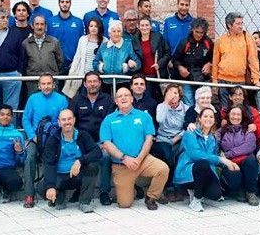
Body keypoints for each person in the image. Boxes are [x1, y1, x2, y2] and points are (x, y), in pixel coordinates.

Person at [100, 87, 169, 210]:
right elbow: (106, 143)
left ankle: (151, 197)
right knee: (125, 204)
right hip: (121, 164)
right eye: (120, 96)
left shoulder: (144, 116)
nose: (123, 98)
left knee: (163, 169)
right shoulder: (109, 119)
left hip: (143, 160)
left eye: (126, 95)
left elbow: (149, 139)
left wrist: (139, 158)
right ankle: (134, 190)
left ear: (132, 99)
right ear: (116, 101)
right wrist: (124, 158)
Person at [174, 108, 238, 212]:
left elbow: (211, 160)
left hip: (204, 172)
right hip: (187, 172)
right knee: (202, 163)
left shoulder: (212, 138)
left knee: (215, 194)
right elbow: (195, 155)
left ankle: (196, 190)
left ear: (214, 120)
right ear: (199, 118)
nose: (208, 119)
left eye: (211, 117)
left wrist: (215, 178)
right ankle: (196, 199)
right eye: (205, 116)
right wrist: (222, 160)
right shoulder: (190, 133)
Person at [21, 73, 69, 208]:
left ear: (54, 85)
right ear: (39, 85)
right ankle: (29, 194)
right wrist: (32, 136)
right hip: (36, 138)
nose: (46, 86)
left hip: (54, 138)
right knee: (29, 157)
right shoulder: (33, 99)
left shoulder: (61, 99)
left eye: (49, 84)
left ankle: (57, 191)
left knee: (58, 157)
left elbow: (64, 120)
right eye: (43, 84)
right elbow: (25, 119)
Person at [68, 71, 115, 205]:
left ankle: (104, 192)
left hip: (101, 140)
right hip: (82, 141)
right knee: (78, 155)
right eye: (90, 81)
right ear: (85, 84)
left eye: (95, 81)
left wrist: (105, 142)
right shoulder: (76, 99)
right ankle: (79, 189)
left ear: (100, 83)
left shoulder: (107, 99)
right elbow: (72, 122)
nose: (93, 84)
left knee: (105, 156)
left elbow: (109, 123)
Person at [41, 108, 101, 213]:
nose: (67, 122)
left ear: (74, 120)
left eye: (69, 119)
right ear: (59, 122)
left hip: (77, 175)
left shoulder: (83, 135)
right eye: (63, 120)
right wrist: (50, 186)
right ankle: (59, 197)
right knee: (41, 188)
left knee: (92, 166)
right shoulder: (53, 140)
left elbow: (97, 152)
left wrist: (80, 161)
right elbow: (49, 164)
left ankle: (84, 202)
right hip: (59, 176)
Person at [212, 12, 260, 108]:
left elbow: (253, 60)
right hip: (223, 81)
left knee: (239, 109)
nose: (241, 26)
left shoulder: (247, 38)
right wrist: (215, 82)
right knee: (224, 109)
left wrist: (256, 80)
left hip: (240, 81)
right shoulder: (220, 41)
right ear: (229, 25)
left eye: (241, 23)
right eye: (238, 24)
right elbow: (215, 62)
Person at [218, 105, 260, 206]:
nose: (235, 117)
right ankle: (240, 189)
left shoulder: (248, 129)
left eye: (238, 114)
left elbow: (249, 146)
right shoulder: (222, 131)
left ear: (242, 116)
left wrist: (229, 153)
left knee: (251, 161)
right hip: (230, 162)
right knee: (233, 177)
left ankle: (251, 192)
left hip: (244, 159)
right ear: (228, 116)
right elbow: (215, 144)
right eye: (233, 114)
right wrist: (221, 156)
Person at [152, 84, 188, 201]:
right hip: (162, 139)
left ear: (180, 95)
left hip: (178, 138)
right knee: (167, 154)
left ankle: (180, 186)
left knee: (182, 153)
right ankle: (168, 187)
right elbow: (160, 119)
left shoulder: (186, 109)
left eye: (175, 93)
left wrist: (177, 138)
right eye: (170, 92)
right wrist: (166, 103)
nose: (173, 95)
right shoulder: (161, 106)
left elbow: (187, 127)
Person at [172, 17, 213, 106]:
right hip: (187, 78)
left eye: (201, 33)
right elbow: (175, 59)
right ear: (192, 30)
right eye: (196, 32)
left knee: (204, 104)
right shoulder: (185, 42)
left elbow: (214, 58)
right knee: (189, 104)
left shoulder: (208, 43)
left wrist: (210, 64)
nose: (198, 35)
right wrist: (180, 68)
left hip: (204, 78)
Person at [63, 18, 106, 99]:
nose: (93, 28)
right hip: (84, 76)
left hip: (99, 76)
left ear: (100, 28)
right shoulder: (83, 39)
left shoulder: (105, 41)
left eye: (96, 26)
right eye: (91, 26)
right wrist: (72, 72)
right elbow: (77, 57)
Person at [22, 14, 64, 96]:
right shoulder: (26, 43)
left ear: (45, 26)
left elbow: (60, 61)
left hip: (51, 81)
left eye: (42, 24)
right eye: (37, 24)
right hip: (33, 82)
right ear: (32, 26)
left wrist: (51, 73)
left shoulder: (54, 42)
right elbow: (23, 63)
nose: (39, 27)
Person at [133, 15, 170, 101]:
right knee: (147, 100)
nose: (144, 27)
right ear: (138, 27)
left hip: (158, 75)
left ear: (150, 26)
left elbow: (167, 53)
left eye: (146, 25)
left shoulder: (158, 37)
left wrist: (159, 64)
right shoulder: (135, 40)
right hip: (143, 77)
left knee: (160, 100)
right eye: (142, 25)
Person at [48, 0, 83, 72]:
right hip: (55, 64)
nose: (64, 4)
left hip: (73, 64)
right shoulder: (50, 21)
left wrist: (76, 61)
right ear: (59, 4)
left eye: (67, 2)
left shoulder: (78, 22)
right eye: (62, 2)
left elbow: (82, 44)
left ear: (70, 4)